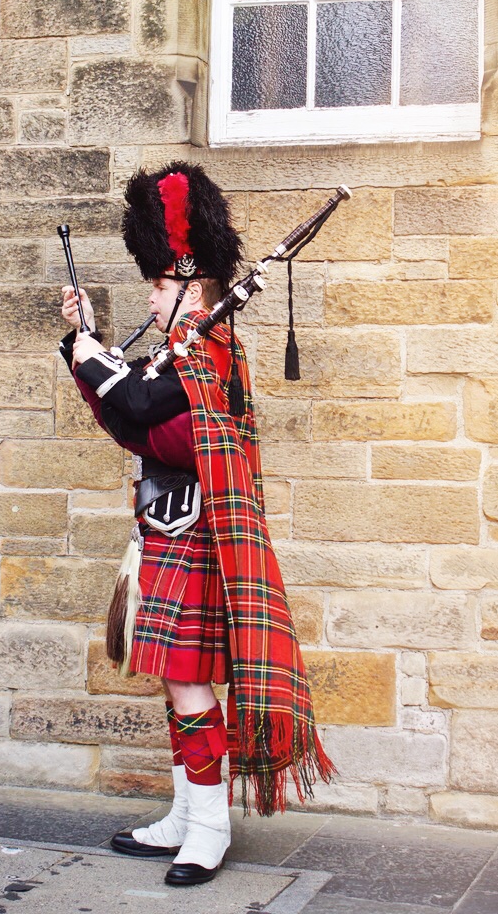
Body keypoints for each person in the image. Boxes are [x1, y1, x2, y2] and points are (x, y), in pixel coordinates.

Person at [58, 162, 333, 888]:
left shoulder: (211, 352)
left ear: (192, 288)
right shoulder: (177, 353)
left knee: (188, 684)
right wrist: (80, 346)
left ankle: (208, 828)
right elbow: (129, 424)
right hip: (164, 528)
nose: (150, 294)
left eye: (158, 284)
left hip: (201, 538)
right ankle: (186, 813)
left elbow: (154, 420)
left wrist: (95, 362)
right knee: (175, 684)